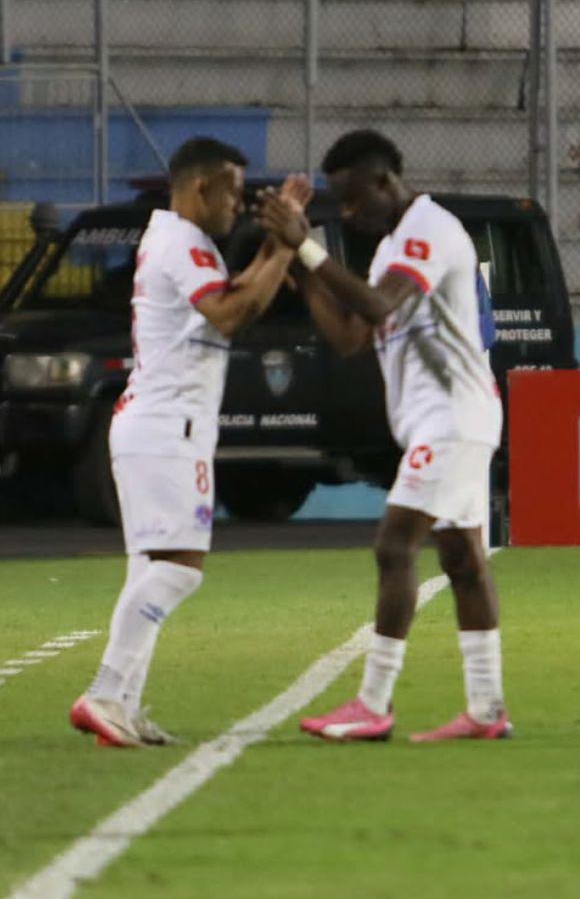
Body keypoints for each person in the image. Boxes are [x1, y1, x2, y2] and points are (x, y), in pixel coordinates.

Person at [256, 129, 509, 743]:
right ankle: (486, 708)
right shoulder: (395, 243)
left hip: (452, 417)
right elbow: (349, 336)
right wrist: (297, 262)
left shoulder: (427, 228)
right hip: (450, 418)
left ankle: (373, 702)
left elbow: (374, 305)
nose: (347, 214)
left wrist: (310, 249)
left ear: (382, 181)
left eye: (351, 200)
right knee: (462, 560)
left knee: (395, 546)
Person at [70, 137, 306, 747]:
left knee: (148, 570)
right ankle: (103, 691)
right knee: (181, 570)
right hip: (166, 429)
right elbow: (231, 315)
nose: (238, 203)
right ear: (201, 188)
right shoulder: (182, 242)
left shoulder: (180, 241)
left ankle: (119, 704)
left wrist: (282, 245)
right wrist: (289, 245)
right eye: (232, 188)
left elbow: (234, 297)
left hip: (158, 424)